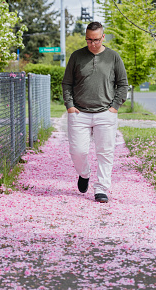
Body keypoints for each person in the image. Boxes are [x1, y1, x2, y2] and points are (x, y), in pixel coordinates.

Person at [62, 21, 128, 203]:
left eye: (96, 40)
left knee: (105, 152)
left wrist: (114, 107)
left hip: (105, 113)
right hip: (79, 113)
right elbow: (67, 83)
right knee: (78, 151)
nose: (92, 44)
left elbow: (122, 85)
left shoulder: (113, 57)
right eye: (88, 40)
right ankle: (84, 173)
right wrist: (69, 105)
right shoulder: (77, 56)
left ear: (103, 37)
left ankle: (101, 189)